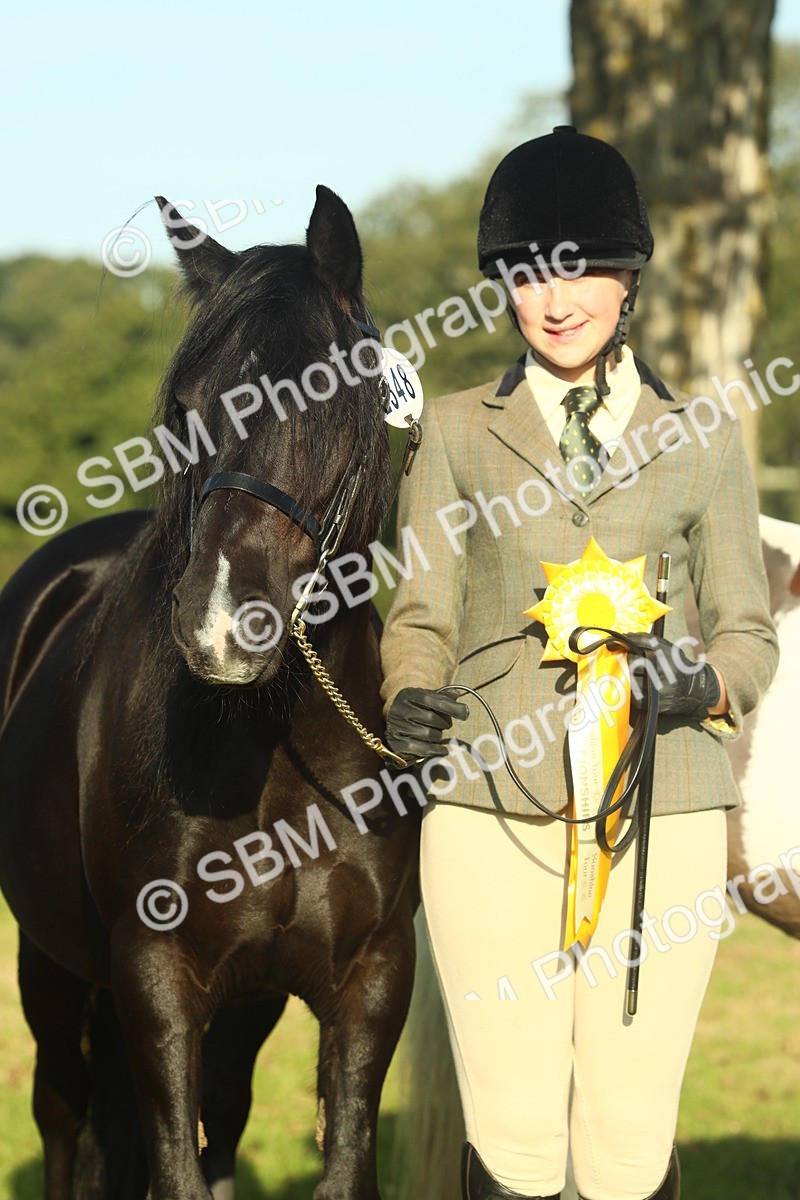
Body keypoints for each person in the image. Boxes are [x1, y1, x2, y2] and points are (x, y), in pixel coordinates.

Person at [379, 126, 778, 1200]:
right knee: (510, 1135)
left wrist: (706, 684)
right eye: (528, 276)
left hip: (664, 810)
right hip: (485, 806)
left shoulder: (703, 436)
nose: (556, 302)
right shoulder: (456, 435)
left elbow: (747, 625)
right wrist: (409, 691)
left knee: (623, 1139)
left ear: (627, 278)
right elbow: (419, 611)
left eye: (583, 272)